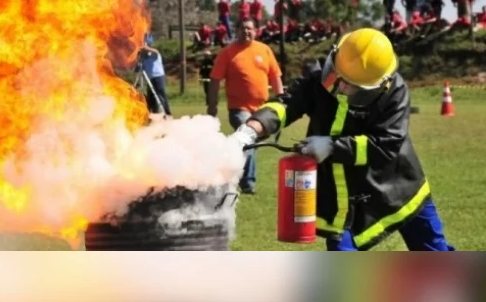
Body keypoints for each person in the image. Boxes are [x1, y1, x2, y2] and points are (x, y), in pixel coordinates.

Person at [224, 28, 454, 251]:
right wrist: (249, 131)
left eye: (352, 84)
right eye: (339, 76)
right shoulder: (318, 81)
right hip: (344, 200)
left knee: (434, 251)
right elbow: (287, 104)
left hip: (399, 186)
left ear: (377, 86)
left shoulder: (395, 92)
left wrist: (332, 147)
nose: (341, 86)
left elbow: (385, 145)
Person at [207, 18, 283, 194]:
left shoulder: (264, 50)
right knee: (249, 138)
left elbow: (275, 76)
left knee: (247, 143)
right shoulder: (227, 53)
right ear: (237, 30)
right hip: (239, 108)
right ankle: (247, 183)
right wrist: (212, 104)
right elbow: (215, 80)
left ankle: (224, 169)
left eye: (249, 28)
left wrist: (281, 98)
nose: (246, 31)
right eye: (242, 28)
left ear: (255, 31)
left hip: (262, 109)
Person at [138, 32, 171, 117]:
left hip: (158, 76)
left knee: (161, 94)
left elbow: (155, 52)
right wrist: (139, 55)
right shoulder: (143, 57)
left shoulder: (154, 53)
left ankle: (167, 113)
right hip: (149, 78)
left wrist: (147, 48)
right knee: (151, 97)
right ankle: (154, 114)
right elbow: (138, 67)